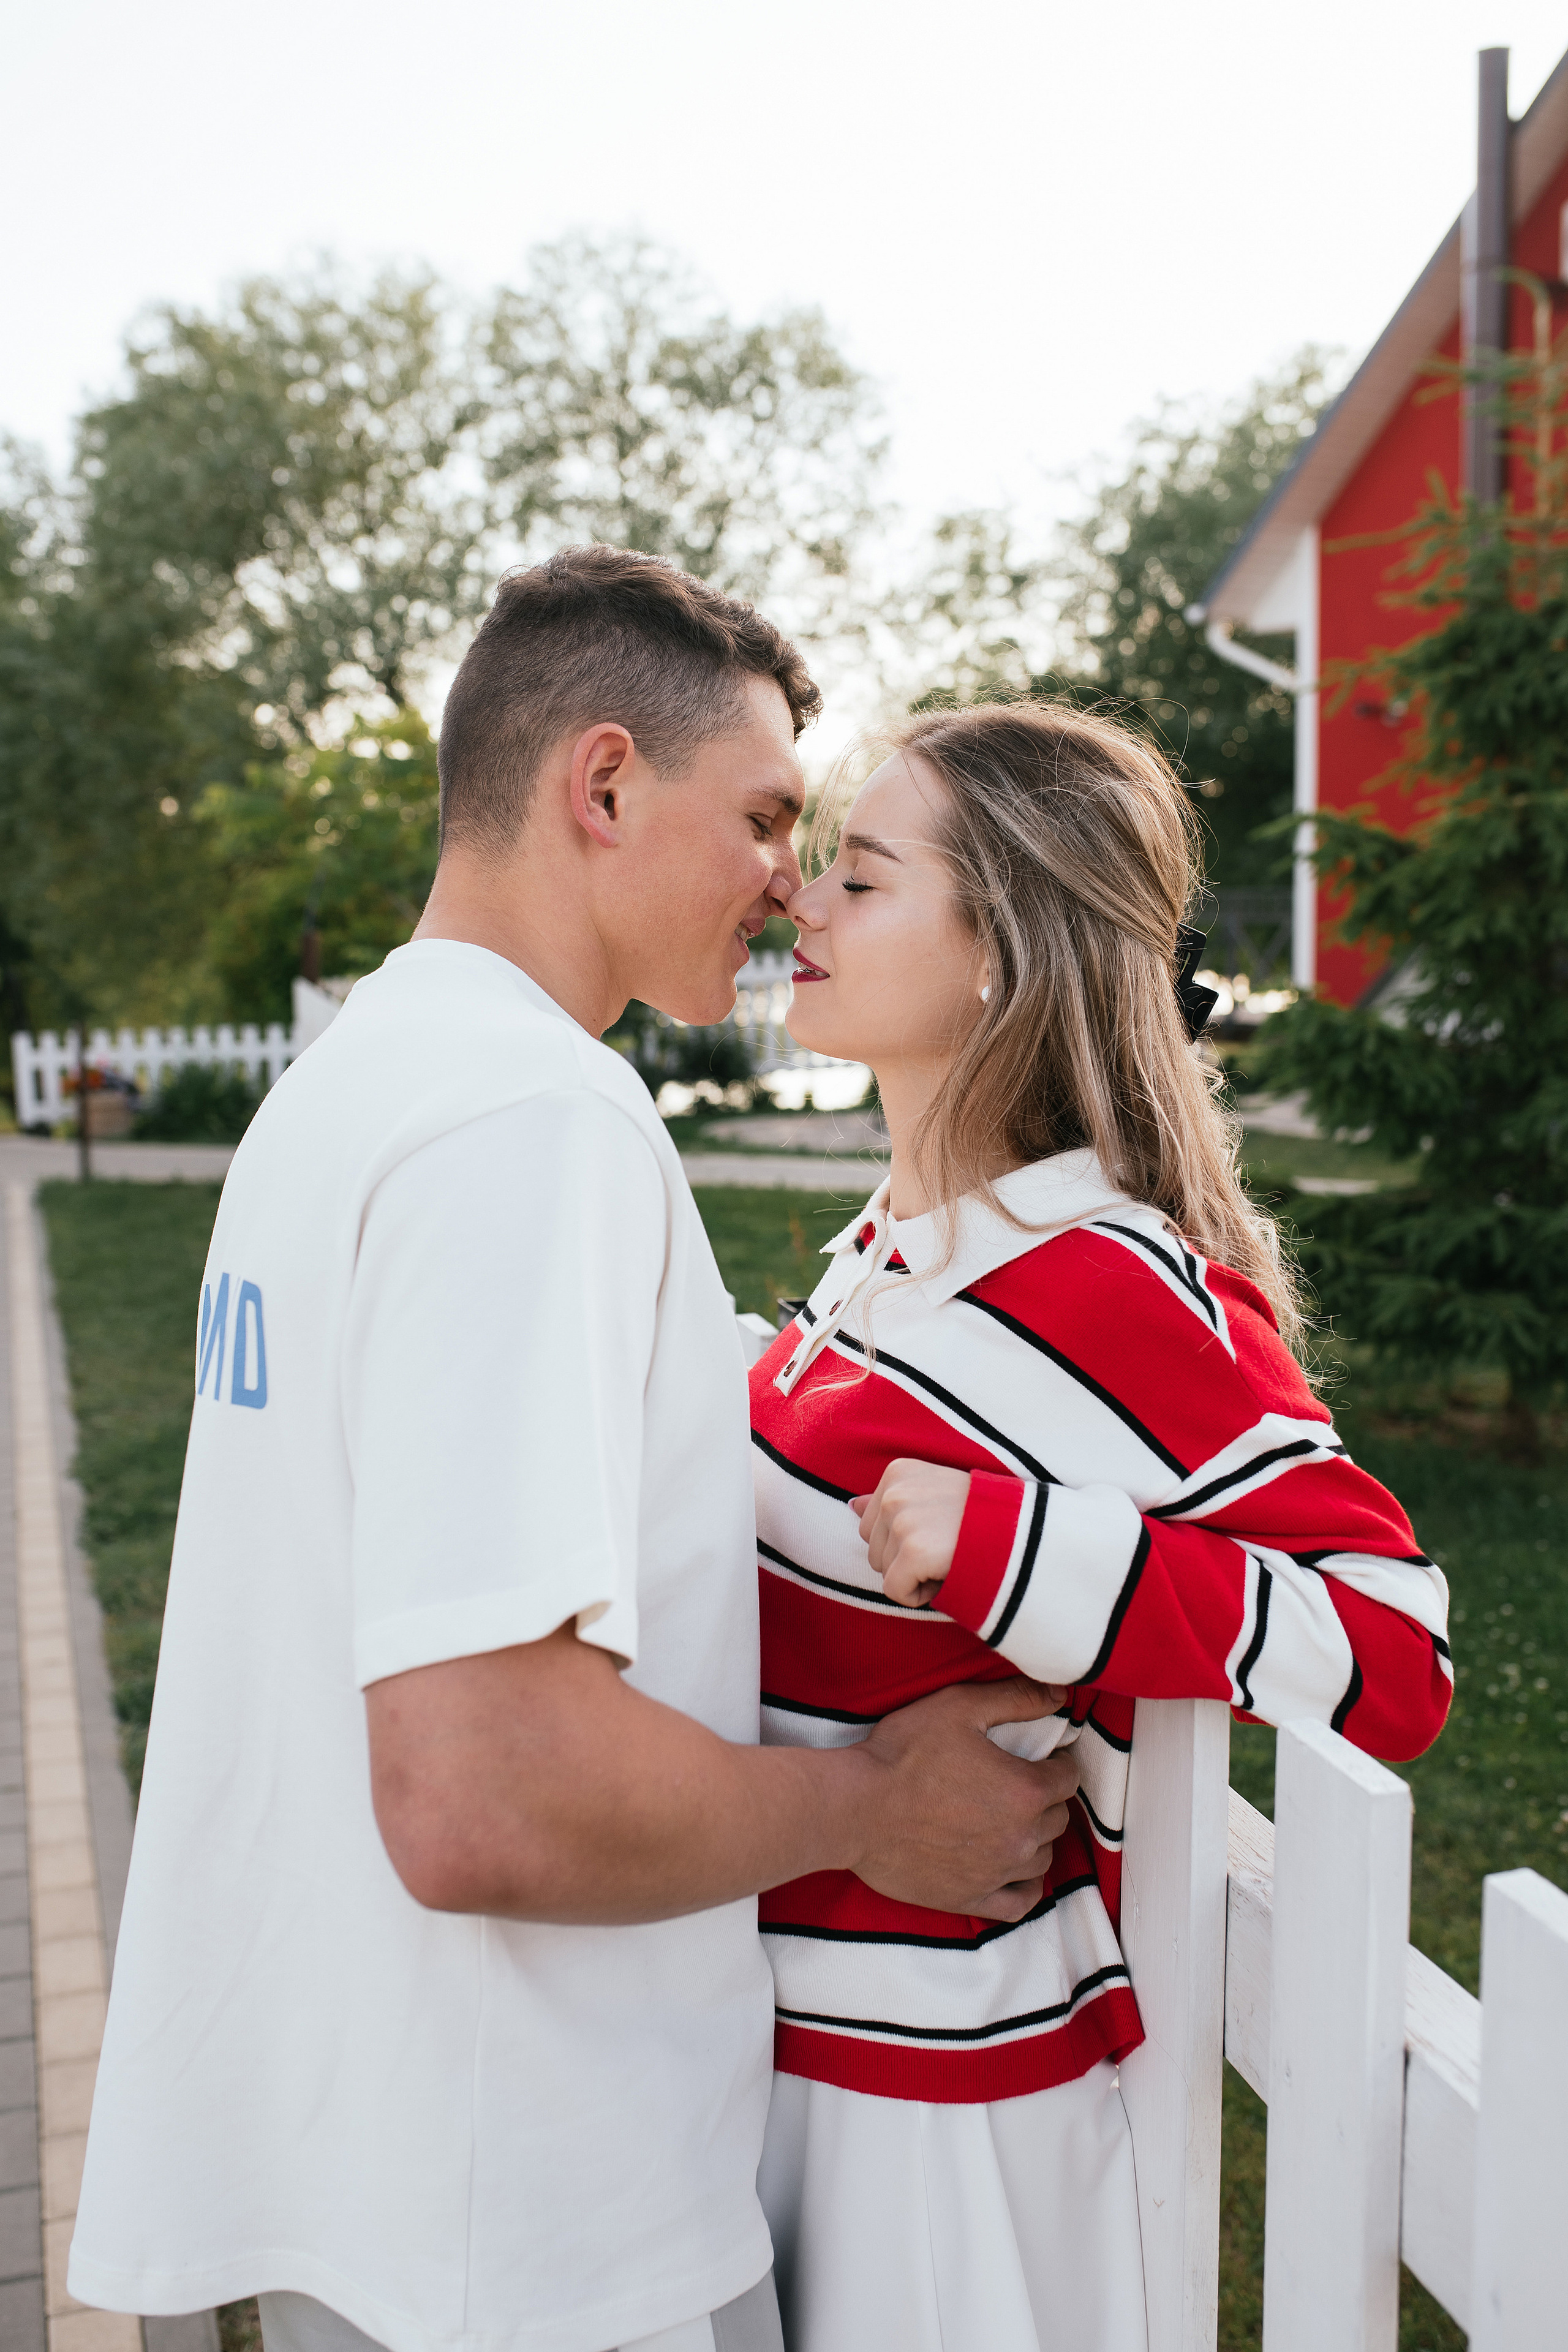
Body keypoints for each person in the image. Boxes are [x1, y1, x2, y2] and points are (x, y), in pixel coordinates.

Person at [69, 552, 1083, 2352]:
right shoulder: (530, 1120)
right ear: (603, 784)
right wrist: (871, 1812)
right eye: (764, 818)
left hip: (376, 2178)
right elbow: (485, 1792)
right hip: (537, 2224)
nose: (791, 882)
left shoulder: (351, 1088)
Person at [748, 701, 1453, 2352]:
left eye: (863, 877)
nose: (803, 900)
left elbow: (1391, 1647)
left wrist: (1029, 1552)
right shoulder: (897, 1245)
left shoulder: (1117, 1283)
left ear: (1003, 955)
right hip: (785, 2063)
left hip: (936, 2132)